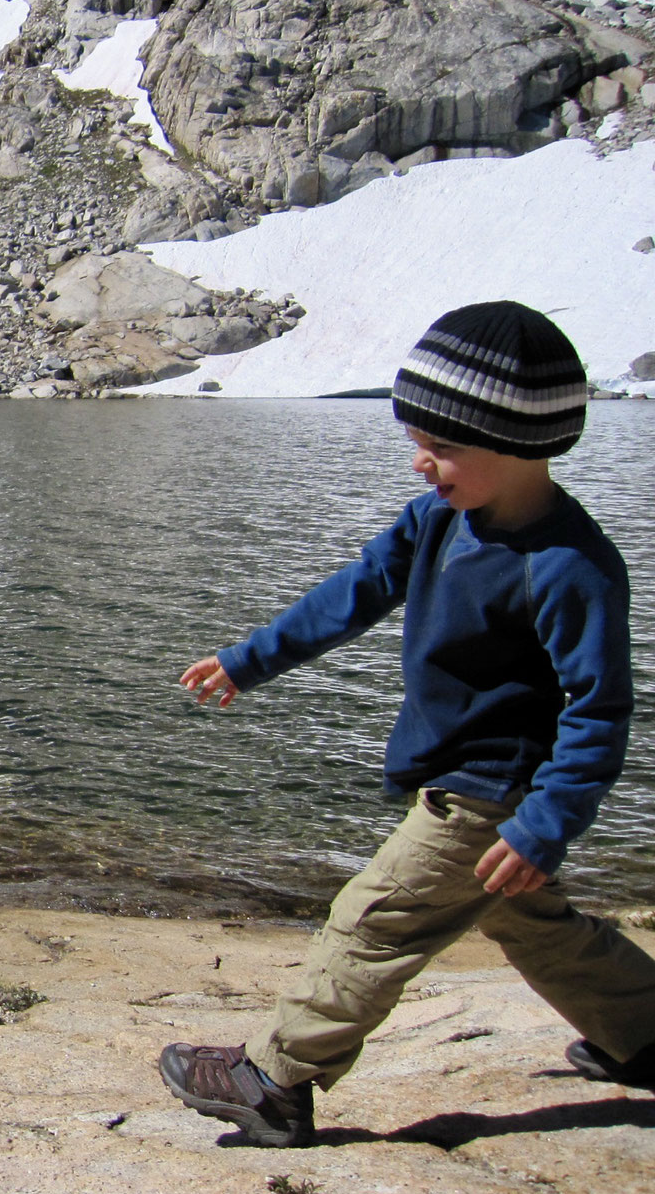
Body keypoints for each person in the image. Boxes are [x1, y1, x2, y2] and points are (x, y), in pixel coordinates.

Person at [159, 301, 655, 1147]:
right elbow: (356, 592)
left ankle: (276, 1078)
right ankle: (648, 1037)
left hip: (492, 795)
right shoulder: (440, 517)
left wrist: (546, 824)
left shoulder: (571, 568)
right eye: (414, 440)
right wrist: (251, 658)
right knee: (541, 932)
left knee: (376, 917)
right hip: (466, 781)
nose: (422, 464)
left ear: (521, 443)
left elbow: (598, 707)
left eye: (444, 448)